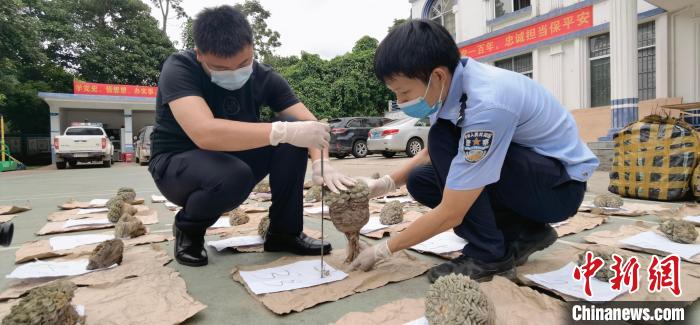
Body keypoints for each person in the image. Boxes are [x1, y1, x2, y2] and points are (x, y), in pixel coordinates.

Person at [355, 20, 599, 282]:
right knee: (421, 180)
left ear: (437, 76)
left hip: (559, 188)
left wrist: (385, 249)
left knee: (447, 148)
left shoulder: (488, 103)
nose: (401, 103)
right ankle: (527, 232)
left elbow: (452, 211)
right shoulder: (449, 87)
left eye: (403, 92)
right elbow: (431, 153)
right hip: (531, 178)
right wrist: (386, 184)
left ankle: (489, 256)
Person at [148, 5, 354, 267]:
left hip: (232, 157)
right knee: (237, 172)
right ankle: (189, 228)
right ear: (200, 54)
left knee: (291, 140)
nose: (235, 72)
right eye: (220, 67)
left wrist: (322, 162)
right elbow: (204, 133)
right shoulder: (180, 68)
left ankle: (284, 232)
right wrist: (283, 130)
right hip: (177, 164)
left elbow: (309, 124)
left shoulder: (263, 76)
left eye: (244, 63)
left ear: (252, 48)